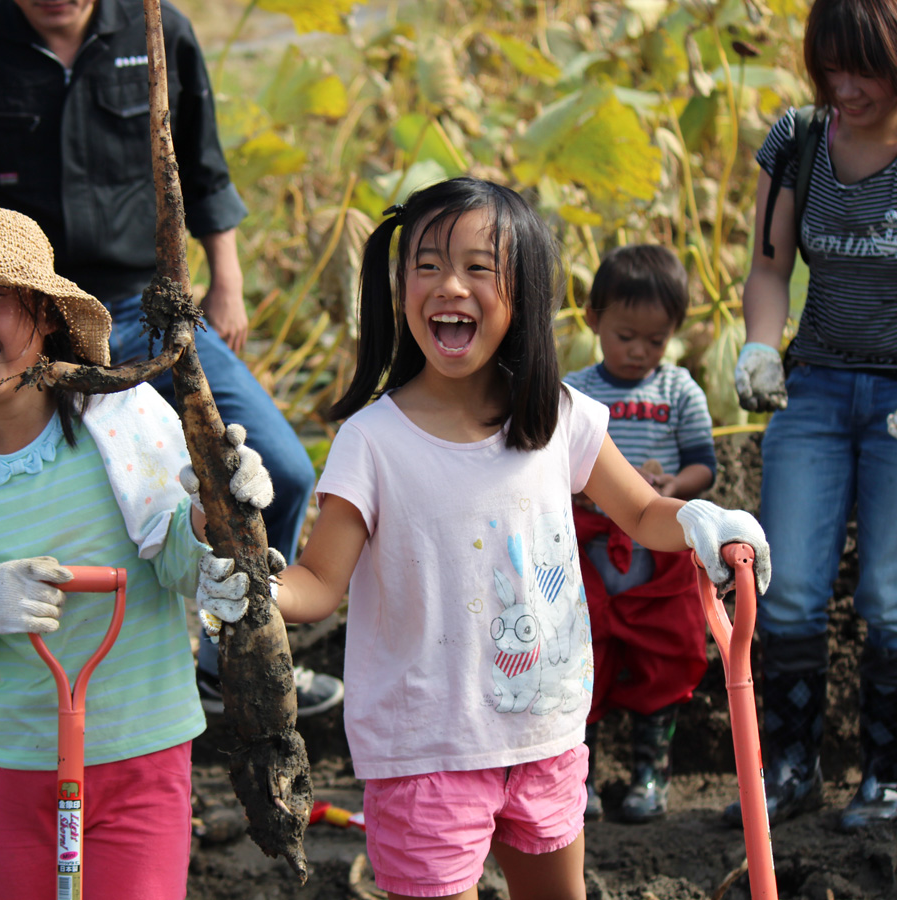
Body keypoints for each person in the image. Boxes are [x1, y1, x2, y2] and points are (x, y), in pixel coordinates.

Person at [201, 177, 769, 900]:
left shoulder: (557, 416)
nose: (450, 286)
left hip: (546, 737)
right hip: (423, 753)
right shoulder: (372, 441)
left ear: (525, 293)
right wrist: (254, 584)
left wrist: (700, 523)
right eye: (428, 264)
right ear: (400, 285)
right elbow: (318, 585)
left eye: (478, 267)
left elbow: (642, 514)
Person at [0, 0, 338, 737]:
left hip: (148, 304)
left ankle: (227, 658)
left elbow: (202, 163)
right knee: (14, 506)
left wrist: (227, 284)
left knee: (281, 470)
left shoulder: (157, 29)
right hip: (27, 319)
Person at [0, 203, 272, 900]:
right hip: (11, 764)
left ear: (46, 314)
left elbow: (174, 564)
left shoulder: (127, 421)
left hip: (140, 750)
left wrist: (212, 514)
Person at [730, 0, 897, 832]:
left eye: (864, 67)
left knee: (891, 594)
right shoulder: (800, 140)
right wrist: (762, 346)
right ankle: (791, 772)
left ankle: (887, 777)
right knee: (787, 587)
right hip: (819, 389)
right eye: (831, 66)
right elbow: (768, 266)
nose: (846, 86)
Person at [562, 245, 716, 823]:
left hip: (659, 546)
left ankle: (652, 773)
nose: (639, 352)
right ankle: (583, 779)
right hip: (588, 544)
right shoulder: (574, 391)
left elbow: (705, 462)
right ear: (593, 321)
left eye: (655, 342)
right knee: (582, 656)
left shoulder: (678, 391)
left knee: (666, 654)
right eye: (626, 336)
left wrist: (676, 483)